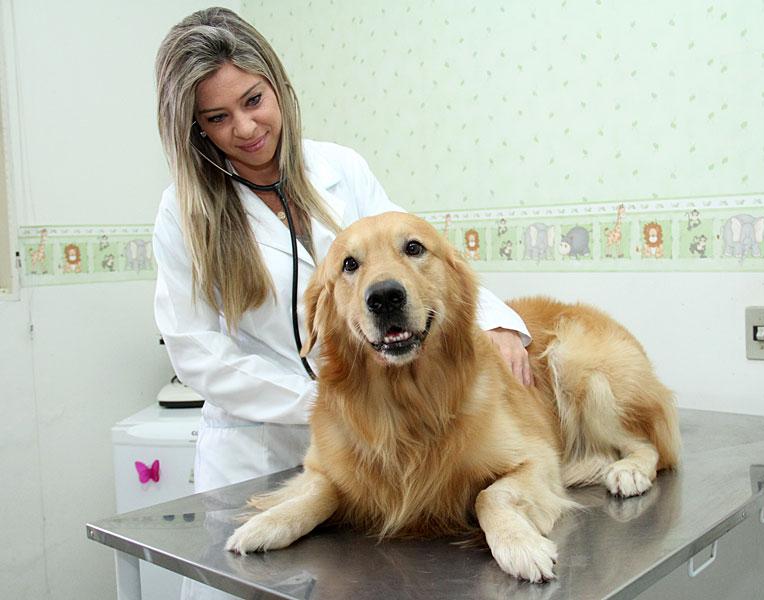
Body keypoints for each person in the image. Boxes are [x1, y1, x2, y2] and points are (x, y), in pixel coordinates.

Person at [153, 7, 532, 597]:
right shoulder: (185, 215)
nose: (246, 128)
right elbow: (195, 351)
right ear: (196, 128)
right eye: (218, 117)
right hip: (259, 446)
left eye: (254, 100)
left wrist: (502, 324)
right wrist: (327, 400)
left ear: (279, 87)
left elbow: (413, 264)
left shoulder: (339, 169)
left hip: (366, 448)